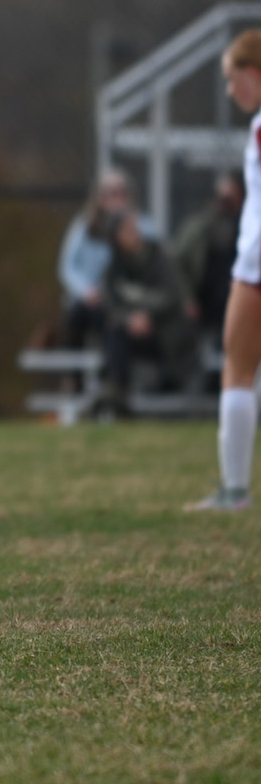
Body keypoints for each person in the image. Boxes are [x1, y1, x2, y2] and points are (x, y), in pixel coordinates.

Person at [191, 30, 261, 512]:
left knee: (237, 367)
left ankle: (234, 490)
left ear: (253, 75)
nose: (230, 90)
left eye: (232, 79)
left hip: (255, 263)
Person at [99, 213, 195, 409]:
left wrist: (145, 315)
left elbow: (171, 297)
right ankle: (117, 392)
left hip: (165, 333)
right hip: (133, 333)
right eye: (127, 230)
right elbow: (110, 305)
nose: (135, 233)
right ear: (116, 237)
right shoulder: (113, 268)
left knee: (118, 334)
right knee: (114, 331)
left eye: (134, 228)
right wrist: (130, 318)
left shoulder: (158, 256)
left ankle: (117, 392)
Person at [58, 170, 156, 348]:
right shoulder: (86, 226)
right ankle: (73, 374)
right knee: (78, 317)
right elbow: (67, 266)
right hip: (95, 301)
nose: (116, 199)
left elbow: (155, 261)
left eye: (121, 193)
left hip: (128, 301)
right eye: (111, 193)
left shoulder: (141, 226)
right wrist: (86, 290)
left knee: (119, 325)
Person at [172, 171, 243, 346]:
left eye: (231, 200)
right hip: (203, 298)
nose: (224, 205)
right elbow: (176, 264)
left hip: (238, 297)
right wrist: (187, 298)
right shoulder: (197, 228)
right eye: (222, 199)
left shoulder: (249, 230)